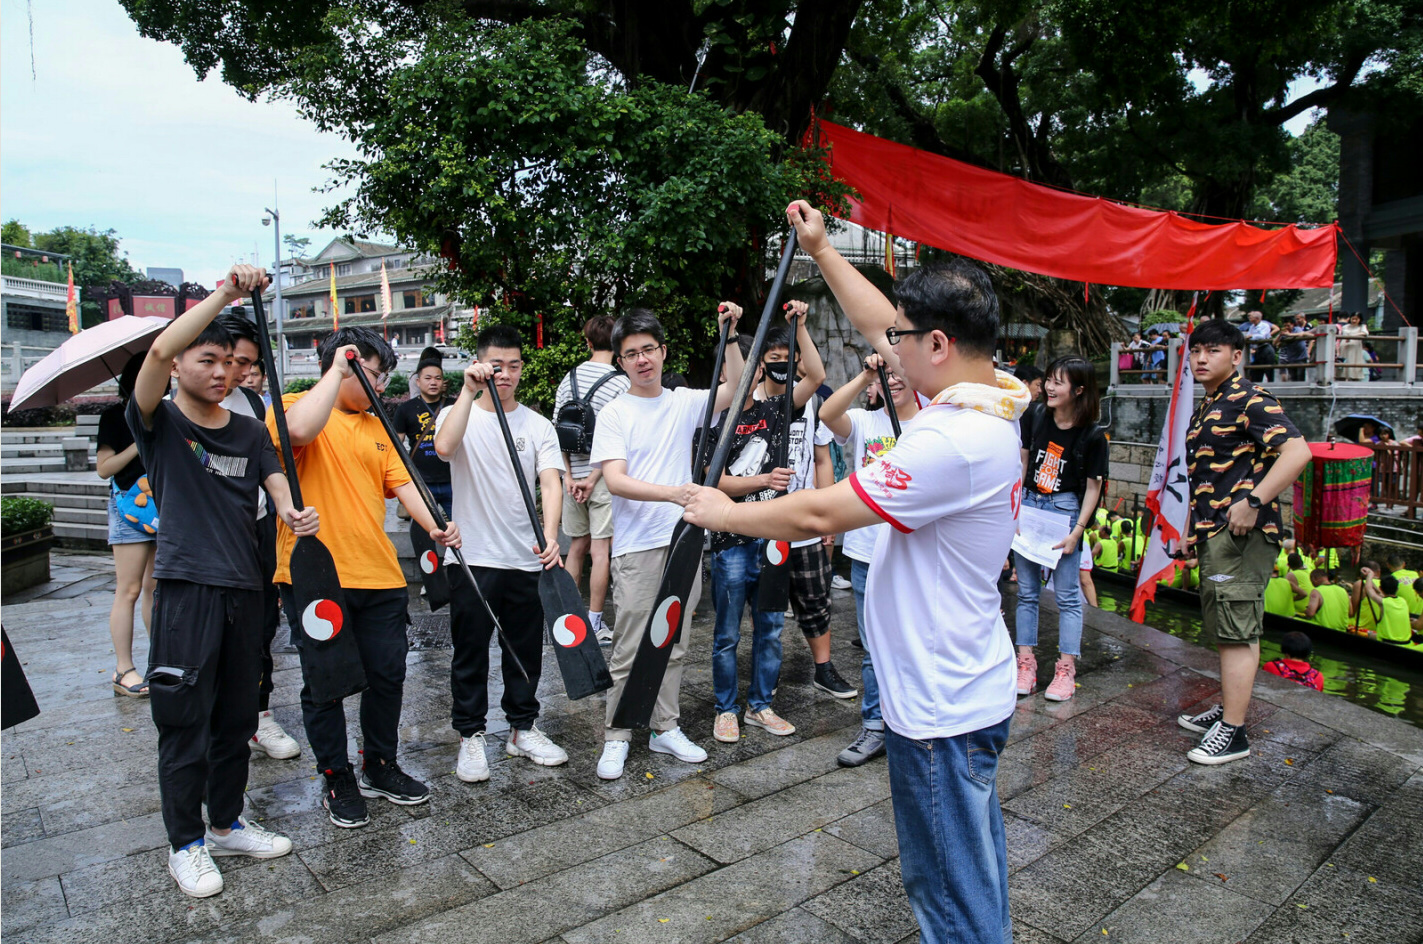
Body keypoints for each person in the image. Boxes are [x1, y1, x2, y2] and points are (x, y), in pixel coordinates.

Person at [684, 199, 1030, 944]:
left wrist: (722, 512)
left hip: (941, 705)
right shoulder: (987, 393)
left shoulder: (955, 440)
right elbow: (882, 324)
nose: (885, 350)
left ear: (938, 344)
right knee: (971, 870)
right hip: (960, 685)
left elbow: (816, 515)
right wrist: (820, 249)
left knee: (948, 895)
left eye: (904, 339)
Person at [126, 264, 316, 898]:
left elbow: (274, 480)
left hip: (246, 589)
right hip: (186, 592)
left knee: (238, 717)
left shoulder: (248, 429)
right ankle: (185, 844)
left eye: (226, 364)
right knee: (184, 722)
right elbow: (155, 349)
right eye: (204, 360)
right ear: (180, 366)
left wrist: (291, 511)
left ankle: (229, 821)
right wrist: (225, 295)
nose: (219, 372)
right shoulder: (160, 424)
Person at [270, 326, 461, 828]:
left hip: (377, 575)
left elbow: (403, 485)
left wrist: (437, 526)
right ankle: (337, 776)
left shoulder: (377, 427)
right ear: (344, 365)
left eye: (382, 376)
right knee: (325, 683)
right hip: (315, 576)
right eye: (373, 374)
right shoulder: (292, 405)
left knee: (387, 676)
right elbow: (297, 435)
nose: (380, 386)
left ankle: (379, 764)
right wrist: (337, 370)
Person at [588, 303, 745, 780]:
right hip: (638, 545)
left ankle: (664, 727)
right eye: (631, 353)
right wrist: (674, 493)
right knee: (632, 644)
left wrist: (731, 335)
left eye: (649, 349)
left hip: (683, 541)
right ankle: (617, 734)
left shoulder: (681, 401)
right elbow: (615, 481)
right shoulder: (615, 413)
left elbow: (735, 388)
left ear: (662, 351)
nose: (642, 360)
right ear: (620, 361)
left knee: (674, 639)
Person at [433, 325, 569, 781]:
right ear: (479, 363)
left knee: (525, 651)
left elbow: (551, 481)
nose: (505, 374)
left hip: (525, 556)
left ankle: (522, 728)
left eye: (513, 365)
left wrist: (551, 535)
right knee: (469, 650)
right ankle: (470, 736)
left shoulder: (537, 424)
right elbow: (443, 447)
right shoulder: (461, 413)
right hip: (472, 556)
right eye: (496, 365)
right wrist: (468, 393)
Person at [1176, 318, 1310, 765]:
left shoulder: (1250, 399)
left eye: (1212, 351)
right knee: (1231, 628)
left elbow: (1298, 451)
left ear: (1236, 356)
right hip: (1217, 530)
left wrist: (1253, 501)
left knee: (1235, 630)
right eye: (1196, 350)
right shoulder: (1211, 404)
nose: (1200, 358)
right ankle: (1229, 709)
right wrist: (1193, 532)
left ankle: (1233, 732)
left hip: (1242, 532)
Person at [707, 322, 815, 742]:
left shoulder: (774, 410)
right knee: (727, 633)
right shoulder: (712, 424)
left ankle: (761, 706)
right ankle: (726, 709)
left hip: (773, 540)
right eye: (738, 367)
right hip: (731, 542)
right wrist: (764, 480)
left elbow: (818, 378)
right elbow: (711, 482)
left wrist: (800, 328)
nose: (748, 375)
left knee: (770, 627)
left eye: (753, 368)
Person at [820, 352, 923, 766]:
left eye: (900, 373)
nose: (893, 381)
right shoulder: (865, 424)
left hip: (914, 553)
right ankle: (875, 725)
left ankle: (912, 724)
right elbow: (828, 413)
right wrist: (865, 375)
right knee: (874, 647)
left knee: (913, 643)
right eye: (886, 376)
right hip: (866, 553)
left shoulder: (931, 426)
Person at [748, 305, 852, 698]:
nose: (782, 367)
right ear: (761, 363)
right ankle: (765, 677)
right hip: (764, 522)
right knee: (766, 606)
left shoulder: (809, 401)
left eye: (789, 361)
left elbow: (823, 458)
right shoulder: (750, 403)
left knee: (815, 599)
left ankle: (823, 669)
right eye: (774, 360)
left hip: (807, 525)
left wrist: (828, 518)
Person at [215, 313, 301, 762]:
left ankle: (259, 715)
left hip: (260, 527)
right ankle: (218, 718)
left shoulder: (251, 404)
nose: (240, 372)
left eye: (249, 363)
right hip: (209, 539)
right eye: (233, 361)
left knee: (262, 625)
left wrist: (287, 509)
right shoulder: (176, 405)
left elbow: (270, 462)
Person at [1012, 357, 1107, 702]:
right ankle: (1026, 663)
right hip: (1031, 504)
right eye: (1049, 380)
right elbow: (1022, 461)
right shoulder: (1034, 415)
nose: (1049, 387)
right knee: (1026, 592)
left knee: (1068, 596)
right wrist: (1016, 509)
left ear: (1078, 390)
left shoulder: (1093, 434)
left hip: (1065, 511)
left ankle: (1065, 669)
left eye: (1059, 382)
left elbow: (1093, 488)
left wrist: (1077, 532)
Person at [553, 315, 631, 645]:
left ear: (587, 342)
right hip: (602, 479)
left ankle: (570, 618)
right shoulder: (620, 384)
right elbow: (620, 439)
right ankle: (595, 622)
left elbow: (557, 432)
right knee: (601, 551)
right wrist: (594, 477)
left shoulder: (567, 380)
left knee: (576, 547)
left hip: (571, 478)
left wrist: (570, 477)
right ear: (615, 344)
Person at [97, 354, 159, 697]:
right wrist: (138, 441)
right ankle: (124, 669)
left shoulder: (165, 414)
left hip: (164, 506)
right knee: (130, 589)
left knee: (155, 588)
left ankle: (158, 660)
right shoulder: (114, 417)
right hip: (128, 509)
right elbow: (104, 469)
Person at [392, 347, 456, 516]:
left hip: (454, 480)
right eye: (427, 378)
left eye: (438, 378)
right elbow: (395, 446)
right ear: (418, 381)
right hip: (422, 482)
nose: (433, 382)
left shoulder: (455, 406)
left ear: (443, 382)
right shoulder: (406, 409)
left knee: (463, 529)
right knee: (423, 530)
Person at [1363, 573, 1413, 643]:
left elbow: (1368, 589)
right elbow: (1379, 593)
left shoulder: (1383, 602)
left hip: (1389, 644)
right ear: (1397, 589)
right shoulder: (1403, 601)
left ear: (1381, 588)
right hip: (1407, 643)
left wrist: (1370, 575)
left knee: (1367, 635)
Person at [1241, 310, 1279, 383]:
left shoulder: (1265, 325)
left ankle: (1271, 385)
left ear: (1257, 318)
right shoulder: (1252, 326)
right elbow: (1247, 335)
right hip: (1256, 349)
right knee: (1256, 371)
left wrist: (1252, 336)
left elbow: (1262, 336)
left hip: (1265, 348)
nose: (1249, 319)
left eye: (1251, 317)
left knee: (1269, 370)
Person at [1278, 313, 1312, 381]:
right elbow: (1275, 343)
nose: (1287, 327)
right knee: (1293, 377)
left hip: (1301, 357)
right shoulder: (1285, 333)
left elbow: (1301, 334)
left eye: (1288, 325)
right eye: (1285, 326)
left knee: (1300, 376)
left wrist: (1289, 334)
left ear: (1293, 324)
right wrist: (1280, 335)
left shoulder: (1297, 329)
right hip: (1291, 358)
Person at [1339, 312, 1369, 381]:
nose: (1354, 321)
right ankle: (1343, 377)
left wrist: (1352, 336)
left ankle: (1353, 377)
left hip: (1355, 347)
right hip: (1344, 346)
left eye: (1356, 319)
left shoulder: (1362, 326)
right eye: (1353, 319)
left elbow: (1365, 333)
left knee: (1353, 361)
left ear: (1360, 319)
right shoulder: (1345, 327)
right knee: (1344, 361)